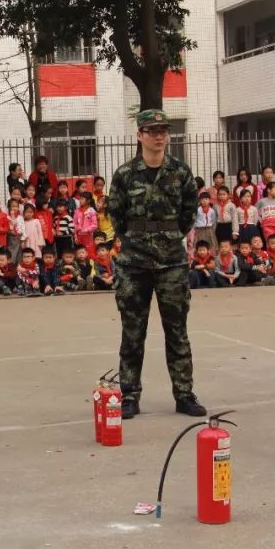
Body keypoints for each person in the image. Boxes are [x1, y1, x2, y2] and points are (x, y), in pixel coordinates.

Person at [107, 109, 205, 420]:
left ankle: (184, 394)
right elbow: (116, 216)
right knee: (133, 332)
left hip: (171, 262)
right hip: (134, 262)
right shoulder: (125, 174)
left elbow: (189, 211)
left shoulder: (181, 172)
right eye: (151, 130)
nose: (159, 135)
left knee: (176, 330)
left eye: (163, 129)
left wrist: (170, 235)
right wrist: (139, 239)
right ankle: (129, 395)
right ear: (139, 135)